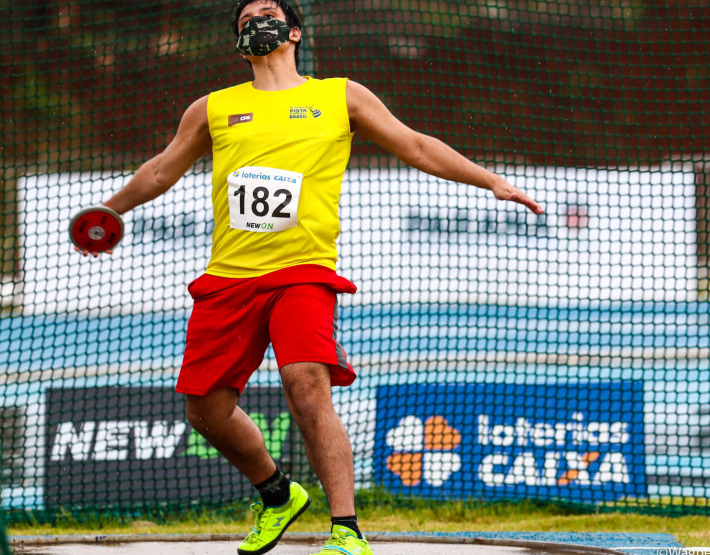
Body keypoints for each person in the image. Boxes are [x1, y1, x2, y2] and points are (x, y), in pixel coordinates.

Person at [76, 0, 543, 553]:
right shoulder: (213, 109)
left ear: (294, 31)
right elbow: (159, 170)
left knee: (306, 386)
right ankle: (277, 494)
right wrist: (106, 211)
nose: (257, 21)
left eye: (268, 13)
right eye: (246, 18)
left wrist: (491, 181)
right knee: (205, 411)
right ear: (237, 40)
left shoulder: (338, 95)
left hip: (303, 272)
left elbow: (416, 145)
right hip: (229, 277)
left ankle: (346, 530)